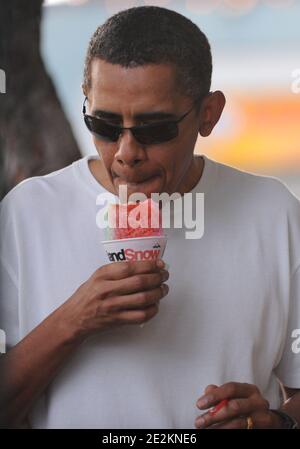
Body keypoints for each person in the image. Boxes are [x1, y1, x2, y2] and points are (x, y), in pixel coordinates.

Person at [0, 6, 299, 429]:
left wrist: (274, 422)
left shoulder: (274, 214)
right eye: (103, 123)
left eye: (154, 128)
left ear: (208, 115)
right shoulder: (26, 214)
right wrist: (74, 319)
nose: (126, 152)